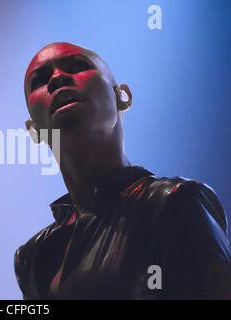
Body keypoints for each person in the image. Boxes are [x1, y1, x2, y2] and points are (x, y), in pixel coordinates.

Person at [14, 42, 231, 299]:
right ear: (33, 130)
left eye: (78, 66)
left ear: (121, 96)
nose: (58, 78)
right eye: (40, 79)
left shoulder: (176, 203)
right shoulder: (34, 255)